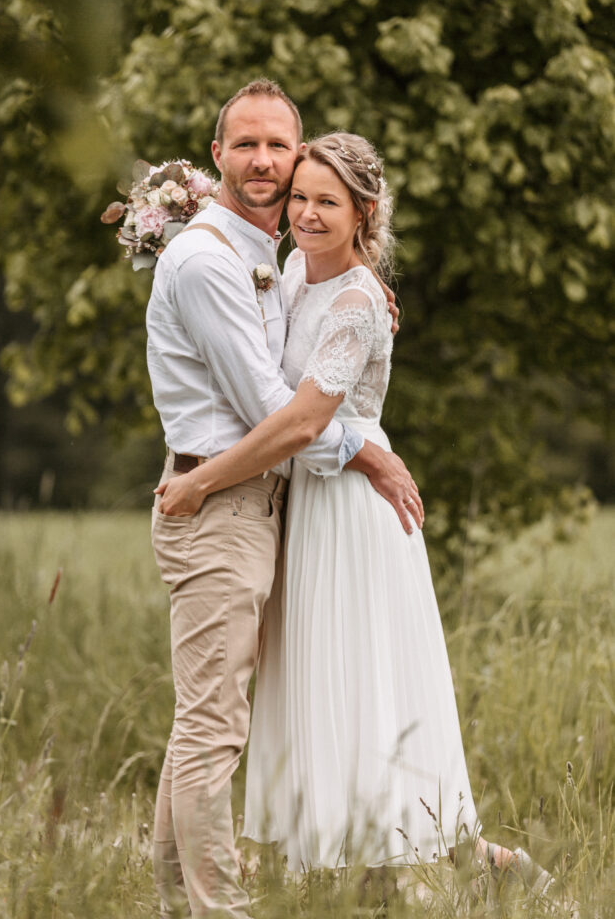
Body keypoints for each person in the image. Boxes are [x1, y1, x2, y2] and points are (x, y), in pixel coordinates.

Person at [157, 132, 563, 904]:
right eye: (299, 197)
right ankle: (360, 884)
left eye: (328, 202)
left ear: (362, 213)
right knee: (321, 690)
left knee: (368, 689)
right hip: (305, 505)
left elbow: (301, 423)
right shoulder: (289, 275)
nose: (307, 214)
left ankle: (485, 865)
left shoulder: (356, 302)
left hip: (349, 512)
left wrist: (199, 481)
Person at [147, 81, 422, 919]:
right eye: (247, 145)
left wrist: (360, 293)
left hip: (260, 498)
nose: (265, 163)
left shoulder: (276, 258)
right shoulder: (208, 261)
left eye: (278, 147)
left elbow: (332, 307)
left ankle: (178, 900)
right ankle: (218, 908)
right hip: (218, 498)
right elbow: (277, 408)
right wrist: (367, 452)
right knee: (212, 727)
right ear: (217, 154)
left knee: (206, 720)